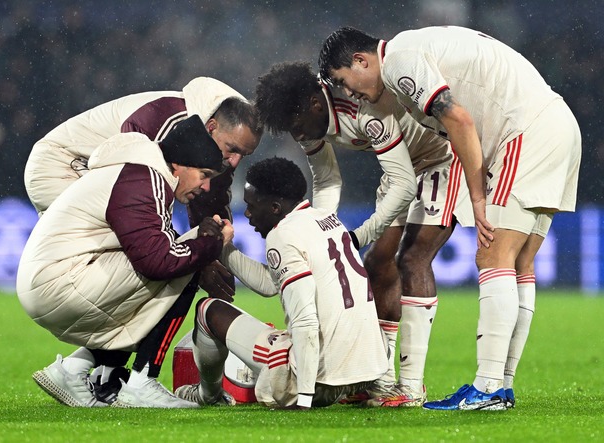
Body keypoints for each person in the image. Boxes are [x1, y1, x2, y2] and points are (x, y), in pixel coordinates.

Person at [318, 26, 581, 410]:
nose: (350, 93)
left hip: (524, 130)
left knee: (493, 256)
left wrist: (476, 195)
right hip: (554, 124)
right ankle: (500, 385)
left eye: (346, 81)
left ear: (361, 60)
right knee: (520, 263)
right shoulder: (414, 49)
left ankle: (489, 388)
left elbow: (458, 119)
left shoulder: (399, 63)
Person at [254, 61, 472, 407]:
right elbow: (327, 181)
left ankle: (411, 386)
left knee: (412, 259)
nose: (299, 135)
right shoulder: (310, 124)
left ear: (314, 103)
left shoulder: (361, 108)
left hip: (440, 158)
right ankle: (378, 380)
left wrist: (355, 235)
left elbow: (402, 184)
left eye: (296, 125)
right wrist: (322, 230)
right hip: (402, 167)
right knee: (377, 262)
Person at [17, 115, 234, 408]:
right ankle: (143, 382)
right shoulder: (145, 178)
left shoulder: (136, 173)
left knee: (177, 258)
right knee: (184, 263)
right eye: (204, 174)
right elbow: (160, 263)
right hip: (61, 283)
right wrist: (210, 245)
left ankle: (74, 368)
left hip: (53, 280)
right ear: (179, 164)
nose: (205, 187)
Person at [174, 157, 389, 409]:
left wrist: (305, 400)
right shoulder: (328, 220)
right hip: (365, 373)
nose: (248, 214)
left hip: (321, 383)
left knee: (208, 310)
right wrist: (222, 248)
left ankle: (207, 395)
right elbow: (269, 283)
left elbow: (305, 321)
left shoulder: (283, 233)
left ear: (275, 207)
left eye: (252, 205)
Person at [24, 76, 263, 302]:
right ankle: (97, 340)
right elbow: (138, 196)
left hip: (89, 174)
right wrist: (201, 263)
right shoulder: (167, 120)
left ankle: (100, 344)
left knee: (167, 264)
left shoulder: (219, 146)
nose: (234, 161)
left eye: (244, 154)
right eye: (233, 149)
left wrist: (215, 254)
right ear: (211, 126)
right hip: (61, 166)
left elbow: (211, 205)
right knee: (160, 264)